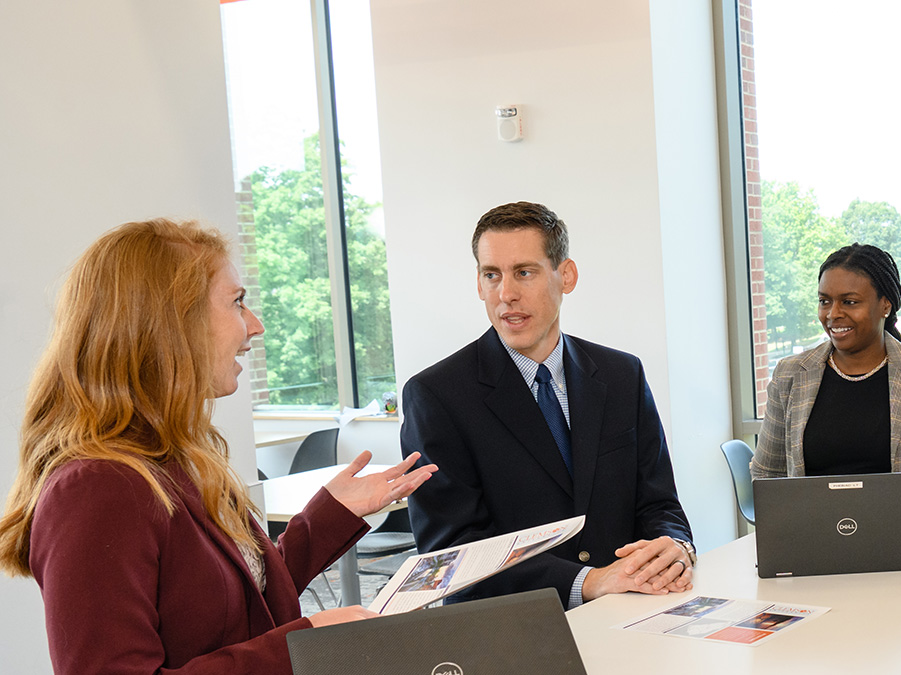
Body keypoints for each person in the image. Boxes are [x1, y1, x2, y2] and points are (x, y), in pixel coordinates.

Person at [0, 219, 435, 674]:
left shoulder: (176, 458)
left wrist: (331, 514)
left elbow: (245, 597)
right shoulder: (98, 488)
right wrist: (302, 646)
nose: (256, 325)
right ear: (170, 323)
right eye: (237, 303)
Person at [403, 201, 694, 608]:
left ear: (566, 275)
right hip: (512, 633)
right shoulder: (436, 395)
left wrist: (677, 548)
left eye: (524, 272)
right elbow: (454, 553)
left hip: (630, 612)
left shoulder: (621, 374)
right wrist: (586, 582)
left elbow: (659, 502)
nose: (506, 294)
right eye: (492, 275)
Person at [752, 244, 901, 525]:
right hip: (814, 544)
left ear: (885, 304)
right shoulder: (790, 375)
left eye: (849, 302)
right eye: (825, 301)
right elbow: (766, 475)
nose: (832, 314)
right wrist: (785, 540)